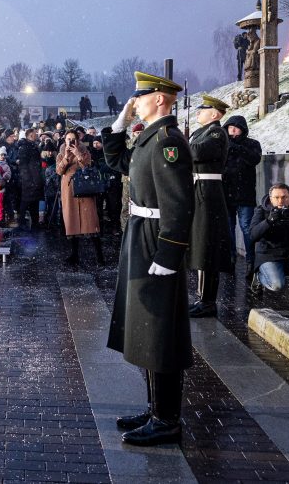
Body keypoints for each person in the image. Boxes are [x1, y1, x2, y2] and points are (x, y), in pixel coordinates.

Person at [102, 71, 194, 446]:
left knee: (160, 331)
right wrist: (119, 125)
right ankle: (156, 407)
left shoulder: (169, 142)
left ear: (159, 98)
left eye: (139, 97)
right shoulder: (149, 137)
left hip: (156, 240)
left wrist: (170, 252)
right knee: (144, 327)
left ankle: (168, 419)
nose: (133, 102)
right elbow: (118, 162)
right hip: (140, 236)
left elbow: (179, 202)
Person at [187, 95, 233, 319]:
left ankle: (207, 301)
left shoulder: (217, 132)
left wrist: (183, 144)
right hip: (198, 190)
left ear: (214, 114)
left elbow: (196, 153)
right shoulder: (201, 133)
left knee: (207, 247)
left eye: (203, 109)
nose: (198, 112)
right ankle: (201, 298)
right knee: (199, 245)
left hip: (208, 192)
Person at [57, 129, 104, 266]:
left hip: (85, 188)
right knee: (72, 221)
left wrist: (78, 155)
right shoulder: (61, 153)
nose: (70, 141)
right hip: (69, 189)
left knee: (91, 222)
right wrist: (66, 157)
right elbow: (59, 171)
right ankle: (74, 255)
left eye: (73, 139)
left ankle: (99, 256)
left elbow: (88, 166)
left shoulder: (85, 151)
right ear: (65, 140)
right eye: (68, 139)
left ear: (78, 140)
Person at [222, 115, 261, 275]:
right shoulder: (222, 144)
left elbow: (254, 159)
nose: (232, 130)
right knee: (229, 228)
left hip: (244, 194)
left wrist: (236, 147)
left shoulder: (252, 144)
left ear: (242, 129)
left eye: (236, 127)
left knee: (246, 227)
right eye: (230, 127)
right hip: (226, 192)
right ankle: (230, 257)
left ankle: (251, 260)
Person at [15, 128, 44, 230]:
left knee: (34, 202)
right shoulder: (25, 147)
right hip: (29, 180)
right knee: (25, 202)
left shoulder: (32, 146)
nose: (36, 135)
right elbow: (23, 165)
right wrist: (28, 180)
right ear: (30, 135)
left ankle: (34, 223)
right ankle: (21, 223)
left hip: (34, 179)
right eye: (35, 133)